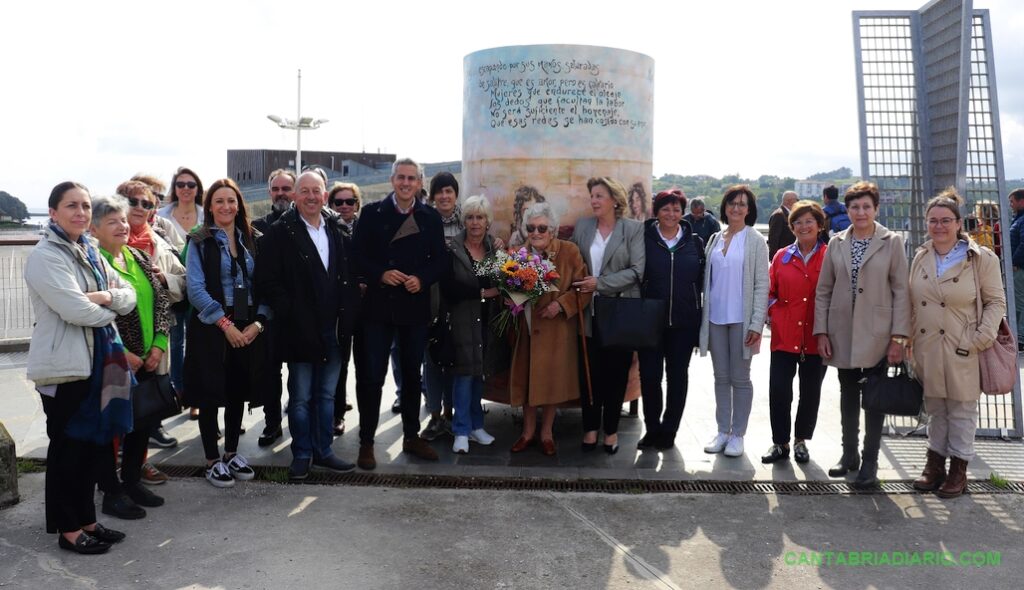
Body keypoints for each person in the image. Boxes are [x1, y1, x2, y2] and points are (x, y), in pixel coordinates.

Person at [25, 181, 136, 554]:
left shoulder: (88, 248)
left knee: (92, 448)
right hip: (66, 367)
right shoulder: (46, 255)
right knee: (67, 450)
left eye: (86, 206)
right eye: (71, 206)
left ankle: (88, 519)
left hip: (98, 362)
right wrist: (109, 307)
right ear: (53, 213)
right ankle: (68, 529)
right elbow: (74, 309)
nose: (81, 213)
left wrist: (105, 296)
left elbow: (129, 294)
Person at [257, 172, 358, 480]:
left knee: (327, 396)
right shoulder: (279, 232)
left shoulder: (337, 230)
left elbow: (348, 277)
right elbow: (266, 282)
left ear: (325, 196)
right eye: (305, 191)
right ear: (296, 196)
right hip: (298, 331)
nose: (312, 196)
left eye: (317, 191)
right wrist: (292, 311)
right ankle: (302, 453)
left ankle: (323, 450)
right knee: (300, 397)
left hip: (333, 330)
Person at [352, 158, 449, 470]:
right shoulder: (370, 213)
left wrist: (421, 278)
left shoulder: (430, 217)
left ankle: (411, 435)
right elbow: (356, 256)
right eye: (401, 178)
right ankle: (366, 441)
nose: (406, 183)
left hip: (413, 305)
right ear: (392, 180)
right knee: (371, 377)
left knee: (411, 375)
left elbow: (440, 262)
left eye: (412, 178)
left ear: (420, 183)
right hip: (378, 308)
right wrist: (381, 273)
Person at [814, 181, 911, 489]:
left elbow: (901, 291)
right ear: (847, 210)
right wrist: (822, 331)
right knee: (847, 396)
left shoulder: (891, 241)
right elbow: (823, 290)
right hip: (842, 331)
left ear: (876, 209)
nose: (860, 212)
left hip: (877, 333)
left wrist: (899, 337)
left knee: (875, 399)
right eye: (854, 207)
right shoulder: (836, 242)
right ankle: (849, 455)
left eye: (866, 206)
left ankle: (870, 462)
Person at [910, 189, 1006, 498]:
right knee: (936, 408)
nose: (939, 226)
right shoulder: (921, 256)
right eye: (933, 220)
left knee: (962, 411)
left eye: (945, 221)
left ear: (959, 223)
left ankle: (958, 471)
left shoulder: (980, 258)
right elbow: (912, 302)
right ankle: (933, 465)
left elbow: (996, 302)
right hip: (928, 346)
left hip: (964, 344)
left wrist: (981, 338)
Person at [183, 178, 269, 488]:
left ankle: (231, 452)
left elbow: (266, 286)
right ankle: (211, 459)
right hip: (212, 326)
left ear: (239, 205)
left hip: (247, 325)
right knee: (209, 394)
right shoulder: (198, 239)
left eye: (231, 201)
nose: (226, 207)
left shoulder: (254, 238)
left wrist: (257, 324)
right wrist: (225, 324)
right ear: (209, 206)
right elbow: (194, 289)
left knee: (237, 390)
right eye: (219, 201)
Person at [89, 195, 172, 513]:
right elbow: (95, 312)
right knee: (111, 428)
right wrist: (125, 352)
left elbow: (163, 300)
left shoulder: (137, 255)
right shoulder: (94, 262)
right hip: (114, 360)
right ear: (95, 230)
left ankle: (132, 482)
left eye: (123, 220)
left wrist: (159, 345)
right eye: (113, 221)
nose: (123, 225)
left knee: (142, 422)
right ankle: (111, 492)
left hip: (149, 356)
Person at [116, 180, 187, 480]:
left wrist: (164, 280)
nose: (140, 208)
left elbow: (183, 284)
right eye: (133, 202)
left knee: (145, 410)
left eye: (148, 203)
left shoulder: (160, 241)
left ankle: (137, 467)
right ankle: (110, 473)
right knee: (114, 410)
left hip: (154, 342)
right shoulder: (101, 245)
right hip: (116, 347)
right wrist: (122, 350)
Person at [509, 203, 591, 455]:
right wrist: (511, 298)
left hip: (556, 329)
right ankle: (527, 432)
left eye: (542, 227)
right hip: (528, 328)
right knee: (528, 378)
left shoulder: (569, 252)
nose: (536, 232)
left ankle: (546, 433)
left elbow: (582, 288)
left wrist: (560, 305)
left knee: (551, 381)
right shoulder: (519, 255)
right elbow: (511, 290)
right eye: (531, 227)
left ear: (553, 230)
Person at [572, 176, 645, 454]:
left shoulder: (633, 230)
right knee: (589, 374)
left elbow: (637, 271)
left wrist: (600, 283)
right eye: (592, 195)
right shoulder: (583, 226)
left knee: (616, 375)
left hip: (620, 313)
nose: (594, 200)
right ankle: (590, 429)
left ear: (615, 200)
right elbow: (573, 260)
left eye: (599, 195)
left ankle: (611, 432)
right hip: (588, 313)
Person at [698, 184, 769, 458]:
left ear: (749, 210)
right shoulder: (716, 238)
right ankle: (722, 431)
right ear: (725, 207)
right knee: (720, 377)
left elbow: (762, 284)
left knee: (740, 379)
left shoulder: (755, 240)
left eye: (742, 204)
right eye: (731, 203)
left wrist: (756, 324)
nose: (736, 208)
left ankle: (738, 434)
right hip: (715, 317)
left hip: (742, 320)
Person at [762, 200, 828, 465]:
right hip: (784, 334)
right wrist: (774, 312)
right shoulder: (781, 256)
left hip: (817, 335)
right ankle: (780, 442)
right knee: (779, 390)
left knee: (810, 392)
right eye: (798, 222)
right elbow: (769, 290)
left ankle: (801, 440)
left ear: (819, 225)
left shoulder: (831, 254)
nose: (803, 226)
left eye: (809, 221)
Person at [638, 189, 704, 450]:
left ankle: (670, 430)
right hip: (649, 320)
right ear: (657, 211)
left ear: (682, 212)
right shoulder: (643, 238)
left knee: (678, 376)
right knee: (650, 377)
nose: (671, 213)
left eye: (676, 209)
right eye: (666, 208)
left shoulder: (694, 242)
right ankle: (652, 428)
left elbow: (702, 283)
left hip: (684, 322)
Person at [441, 196, 502, 453]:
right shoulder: (452, 248)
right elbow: (450, 287)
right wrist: (483, 293)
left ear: (488, 221)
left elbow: (503, 284)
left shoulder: (494, 249)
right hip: (462, 321)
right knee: (464, 376)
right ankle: (461, 430)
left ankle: (477, 426)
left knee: (479, 375)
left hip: (487, 322)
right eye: (470, 217)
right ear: (463, 220)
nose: (475, 222)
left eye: (480, 217)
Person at [252, 168, 296, 448]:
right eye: (276, 189)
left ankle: (301, 425)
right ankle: (272, 424)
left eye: (286, 188)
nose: (281, 193)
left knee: (301, 372)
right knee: (270, 372)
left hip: (300, 313)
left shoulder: (306, 223)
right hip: (269, 312)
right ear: (270, 192)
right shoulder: (257, 226)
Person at [157, 166, 204, 420]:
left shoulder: (207, 215)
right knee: (175, 343)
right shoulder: (161, 215)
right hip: (173, 287)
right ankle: (178, 392)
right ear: (174, 188)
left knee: (197, 343)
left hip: (200, 288)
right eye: (181, 184)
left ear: (198, 189)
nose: (186, 189)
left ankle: (195, 396)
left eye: (191, 185)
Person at [420, 172, 461, 441]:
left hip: (460, 300)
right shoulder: (423, 220)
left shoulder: (468, 220)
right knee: (432, 359)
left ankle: (450, 413)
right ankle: (434, 416)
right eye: (439, 192)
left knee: (456, 360)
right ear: (433, 196)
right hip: (430, 300)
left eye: (449, 191)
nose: (444, 196)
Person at [327, 181, 363, 435]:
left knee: (370, 366)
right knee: (340, 362)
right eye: (338, 202)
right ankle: (336, 413)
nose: (344, 206)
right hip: (339, 307)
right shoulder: (327, 230)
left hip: (368, 307)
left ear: (357, 204)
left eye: (349, 201)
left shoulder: (366, 229)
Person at [1008, 188, 1024, 351]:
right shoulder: (1019, 219)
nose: (1011, 205)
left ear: (1021, 201)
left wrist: (1013, 261)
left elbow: (1023, 244)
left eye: (1012, 201)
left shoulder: (1022, 220)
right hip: (1018, 266)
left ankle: (1020, 339)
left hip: (1019, 268)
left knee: (1019, 303)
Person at [768, 191, 798, 259]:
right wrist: (774, 258)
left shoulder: (787, 214)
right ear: (789, 201)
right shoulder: (779, 215)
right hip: (782, 257)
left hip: (788, 255)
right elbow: (773, 239)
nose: (798, 203)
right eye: (797, 200)